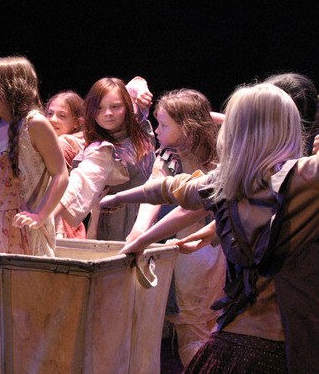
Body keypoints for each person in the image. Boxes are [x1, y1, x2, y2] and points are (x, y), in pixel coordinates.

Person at [104, 83, 318, 372]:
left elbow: (172, 190)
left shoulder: (230, 181)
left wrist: (118, 199)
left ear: (235, 132)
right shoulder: (302, 178)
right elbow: (171, 189)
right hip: (278, 343)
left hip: (239, 341)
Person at [126, 88, 226, 365]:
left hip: (202, 249)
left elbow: (240, 121)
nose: (157, 130)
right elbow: (154, 191)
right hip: (201, 246)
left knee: (199, 326)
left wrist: (202, 117)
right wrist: (139, 230)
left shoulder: (218, 151)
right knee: (202, 325)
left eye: (164, 124)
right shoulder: (173, 155)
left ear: (187, 127)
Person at [0, 56, 68, 256]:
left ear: (9, 89)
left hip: (21, 225)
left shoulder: (34, 124)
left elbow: (61, 174)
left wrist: (40, 215)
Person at [52, 76, 155, 241]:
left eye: (115, 107)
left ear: (127, 106)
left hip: (154, 217)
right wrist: (48, 215)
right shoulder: (103, 151)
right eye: (99, 108)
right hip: (120, 229)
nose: (108, 113)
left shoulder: (137, 125)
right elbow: (79, 183)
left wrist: (141, 89)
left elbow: (135, 83)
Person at [44, 90, 87, 239]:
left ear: (77, 123)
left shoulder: (65, 143)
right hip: (61, 217)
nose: (52, 119)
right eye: (50, 114)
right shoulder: (77, 141)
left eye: (61, 116)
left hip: (59, 221)